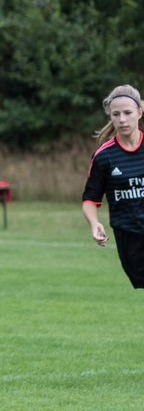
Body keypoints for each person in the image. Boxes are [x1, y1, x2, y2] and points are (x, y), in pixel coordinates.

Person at [82, 84, 144, 288]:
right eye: (116, 114)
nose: (122, 119)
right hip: (128, 236)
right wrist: (94, 223)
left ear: (140, 112)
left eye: (127, 113)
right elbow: (90, 199)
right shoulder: (104, 156)